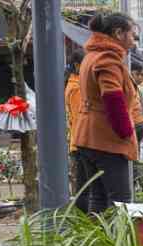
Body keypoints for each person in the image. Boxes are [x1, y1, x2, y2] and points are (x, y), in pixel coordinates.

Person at [74, 13, 139, 213]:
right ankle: (116, 243)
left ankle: (98, 243)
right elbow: (113, 100)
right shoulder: (108, 58)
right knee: (120, 202)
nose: (134, 40)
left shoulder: (91, 55)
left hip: (88, 137)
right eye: (132, 34)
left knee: (99, 197)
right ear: (118, 33)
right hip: (106, 139)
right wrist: (126, 133)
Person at [64, 50, 87, 212]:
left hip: (79, 141)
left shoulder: (76, 84)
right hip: (81, 142)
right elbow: (80, 119)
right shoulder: (77, 88)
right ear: (78, 65)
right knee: (84, 187)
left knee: (83, 185)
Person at [130, 61, 143, 191]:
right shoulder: (128, 86)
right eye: (139, 75)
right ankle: (139, 185)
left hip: (139, 125)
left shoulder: (136, 88)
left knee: (136, 158)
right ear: (132, 73)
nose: (142, 78)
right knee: (133, 159)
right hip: (132, 127)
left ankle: (139, 185)